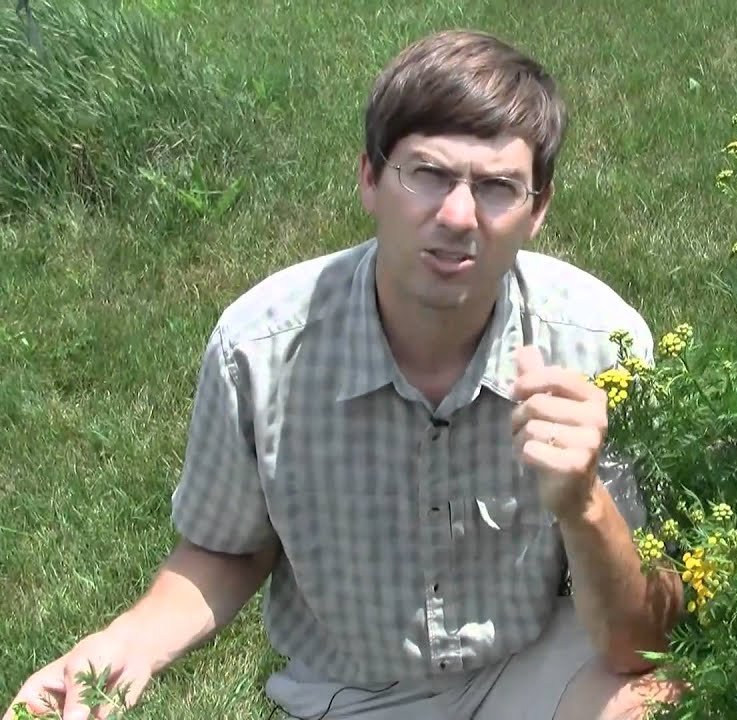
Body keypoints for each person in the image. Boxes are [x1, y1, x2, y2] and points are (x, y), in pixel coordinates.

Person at [5, 29, 685, 720]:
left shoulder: (600, 347)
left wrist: (584, 505)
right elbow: (226, 550)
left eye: (497, 188)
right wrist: (128, 644)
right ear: (368, 178)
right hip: (351, 695)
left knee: (653, 702)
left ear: (537, 209)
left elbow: (642, 641)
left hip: (531, 665)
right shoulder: (260, 350)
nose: (458, 216)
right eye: (427, 173)